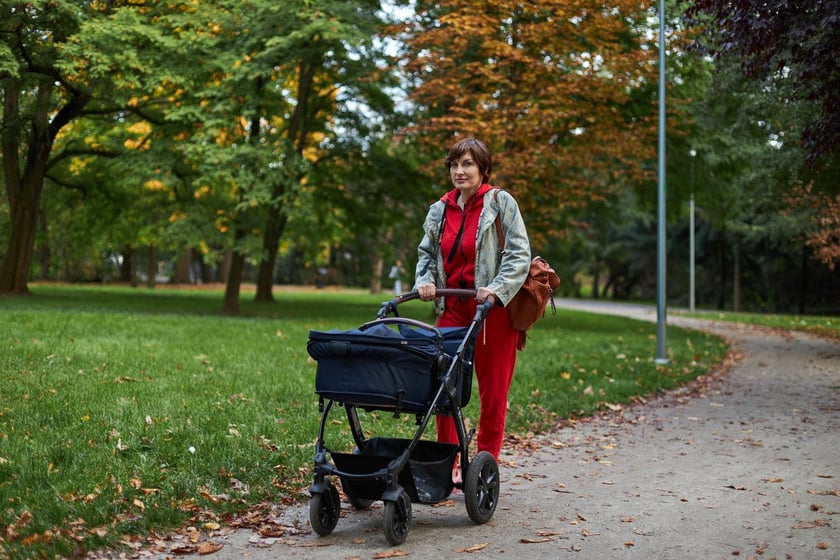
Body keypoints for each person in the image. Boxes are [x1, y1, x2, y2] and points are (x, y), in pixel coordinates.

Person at [414, 137, 531, 461]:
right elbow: (426, 253)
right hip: (452, 306)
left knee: (493, 393)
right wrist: (424, 281)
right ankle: (446, 461)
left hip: (492, 310)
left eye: (467, 164)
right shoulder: (439, 210)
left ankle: (484, 465)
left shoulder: (500, 202)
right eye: (454, 164)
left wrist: (497, 288)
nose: (459, 171)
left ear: (483, 168)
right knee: (444, 387)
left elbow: (520, 254)